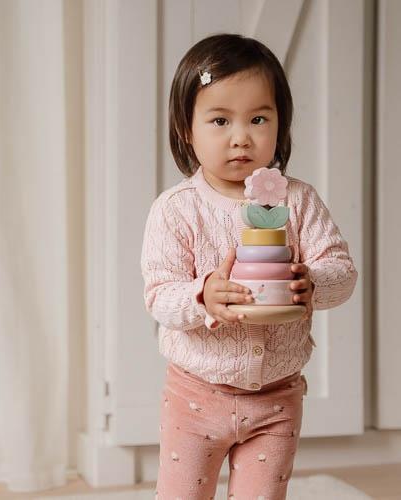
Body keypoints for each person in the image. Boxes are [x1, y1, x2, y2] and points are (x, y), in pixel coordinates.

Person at [140, 33, 358, 500]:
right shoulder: (176, 209)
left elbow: (342, 272)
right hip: (195, 396)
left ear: (281, 123)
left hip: (277, 399)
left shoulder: (298, 201)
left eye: (258, 119)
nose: (241, 137)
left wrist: (313, 282)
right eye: (220, 120)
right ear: (185, 128)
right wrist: (202, 294)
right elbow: (159, 295)